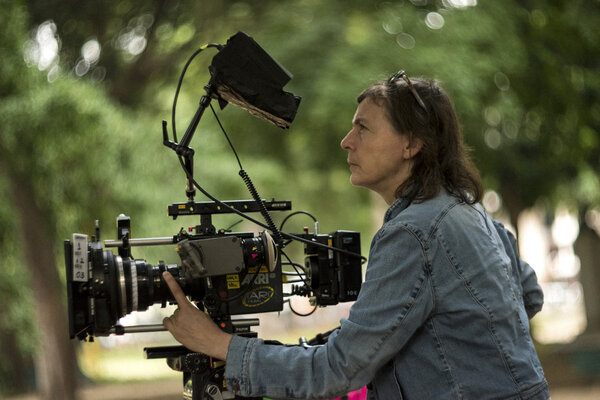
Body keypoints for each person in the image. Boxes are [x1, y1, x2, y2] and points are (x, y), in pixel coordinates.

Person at [162, 70, 550, 399]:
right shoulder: (469, 209)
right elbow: (528, 295)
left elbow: (335, 371)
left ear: (412, 144)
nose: (346, 140)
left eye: (363, 127)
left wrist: (218, 345)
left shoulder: (411, 233)